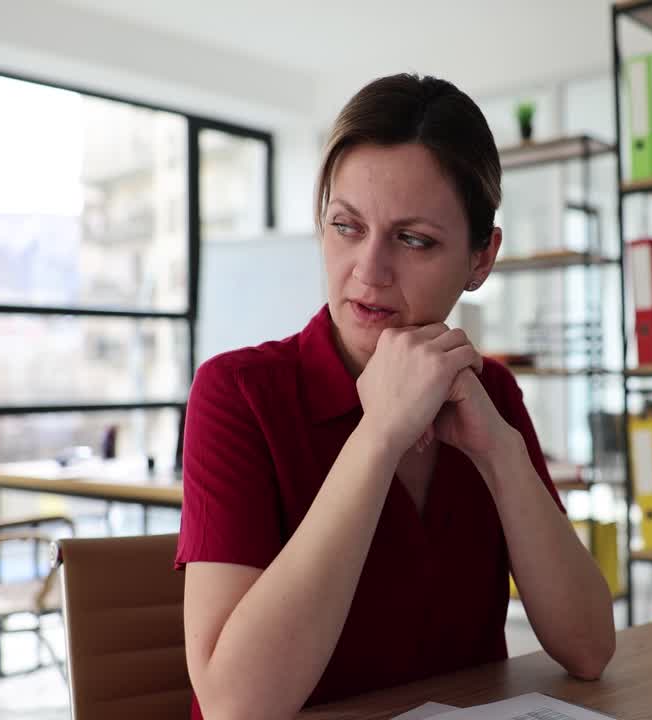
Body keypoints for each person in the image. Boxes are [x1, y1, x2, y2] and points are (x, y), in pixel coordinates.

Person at [175, 73, 616, 720]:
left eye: (414, 240)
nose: (369, 270)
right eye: (346, 226)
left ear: (481, 259)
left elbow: (589, 648)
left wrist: (499, 452)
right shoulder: (237, 393)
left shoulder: (488, 391)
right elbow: (237, 707)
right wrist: (377, 437)